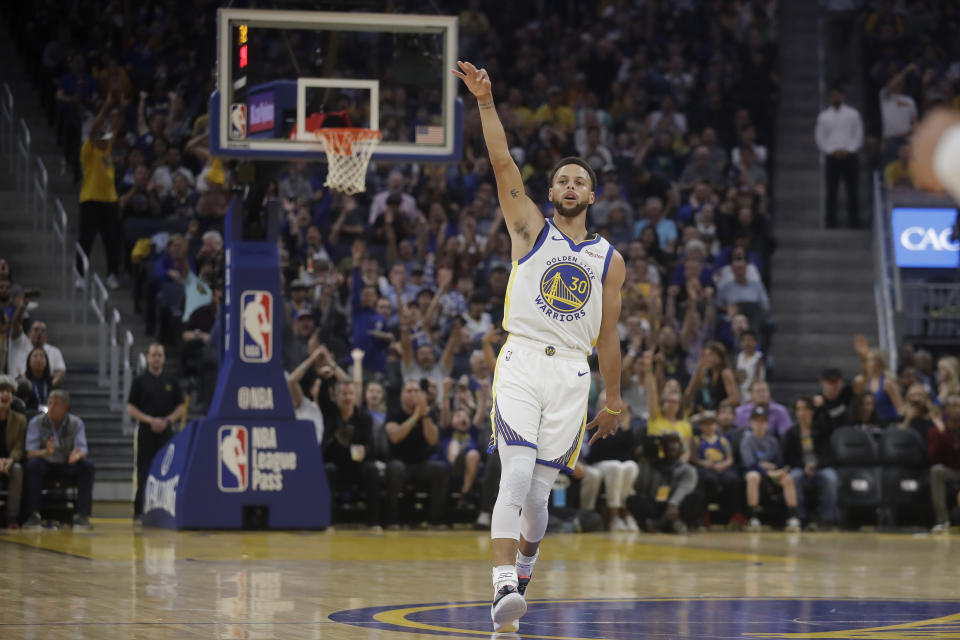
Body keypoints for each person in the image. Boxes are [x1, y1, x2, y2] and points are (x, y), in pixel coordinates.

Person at [453, 60, 625, 633]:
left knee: (540, 495)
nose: (571, 186)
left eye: (581, 181)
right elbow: (502, 162)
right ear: (550, 192)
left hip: (575, 376)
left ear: (593, 196)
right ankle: (502, 584)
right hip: (523, 358)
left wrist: (616, 399)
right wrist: (484, 103)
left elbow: (610, 335)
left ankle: (524, 566)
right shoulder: (529, 227)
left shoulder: (610, 261)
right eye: (563, 180)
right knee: (516, 473)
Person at [125, 344, 185, 521]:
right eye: (154, 355)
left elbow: (181, 407)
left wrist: (167, 421)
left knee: (168, 470)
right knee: (143, 470)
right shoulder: (139, 381)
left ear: (164, 358)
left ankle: (165, 510)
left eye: (160, 355)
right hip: (145, 430)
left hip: (166, 431)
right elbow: (130, 408)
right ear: (148, 357)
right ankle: (139, 511)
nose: (157, 358)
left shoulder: (172, 381)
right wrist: (151, 420)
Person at [23, 390, 95, 529]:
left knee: (87, 466)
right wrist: (45, 451)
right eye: (50, 403)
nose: (52, 407)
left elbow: (83, 449)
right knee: (32, 465)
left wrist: (77, 455)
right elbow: (30, 452)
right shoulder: (36, 422)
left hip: (67, 463)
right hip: (45, 463)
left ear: (65, 407)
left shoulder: (76, 423)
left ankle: (82, 515)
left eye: (56, 404)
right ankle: (33, 515)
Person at [739, 405, 801, 532]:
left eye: (763, 421)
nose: (760, 424)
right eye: (757, 420)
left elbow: (778, 462)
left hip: (772, 474)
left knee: (788, 478)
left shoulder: (773, 441)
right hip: (755, 473)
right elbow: (749, 463)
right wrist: (767, 470)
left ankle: (793, 518)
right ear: (751, 422)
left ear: (767, 423)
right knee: (753, 477)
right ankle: (753, 518)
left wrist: (778, 471)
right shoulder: (746, 440)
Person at [783, 397, 838, 529]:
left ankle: (827, 518)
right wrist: (803, 466)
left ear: (812, 411)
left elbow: (829, 454)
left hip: (821, 466)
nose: (802, 412)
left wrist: (822, 407)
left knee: (831, 478)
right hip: (800, 467)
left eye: (806, 409)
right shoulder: (791, 433)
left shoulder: (822, 430)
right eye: (799, 409)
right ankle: (800, 517)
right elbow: (788, 458)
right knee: (794, 477)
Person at [814, 86, 864, 228]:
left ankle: (854, 221)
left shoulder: (853, 114)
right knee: (831, 190)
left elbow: (858, 134)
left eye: (837, 95)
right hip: (832, 157)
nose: (835, 98)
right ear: (830, 97)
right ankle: (830, 221)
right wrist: (831, 150)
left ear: (843, 96)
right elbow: (820, 137)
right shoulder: (824, 116)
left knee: (852, 190)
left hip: (850, 156)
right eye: (832, 96)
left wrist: (850, 149)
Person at [929, 395, 960, 533]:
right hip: (951, 471)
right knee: (936, 471)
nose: (957, 409)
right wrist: (942, 433)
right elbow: (934, 457)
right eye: (953, 406)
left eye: (958, 405)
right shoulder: (936, 431)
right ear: (946, 410)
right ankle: (943, 520)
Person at [0, 375, 26, 528]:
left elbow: (19, 445)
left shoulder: (20, 419)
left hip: (10, 462)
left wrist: (10, 460)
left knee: (18, 469)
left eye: (9, 392)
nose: (5, 394)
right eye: (1, 391)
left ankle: (12, 517)